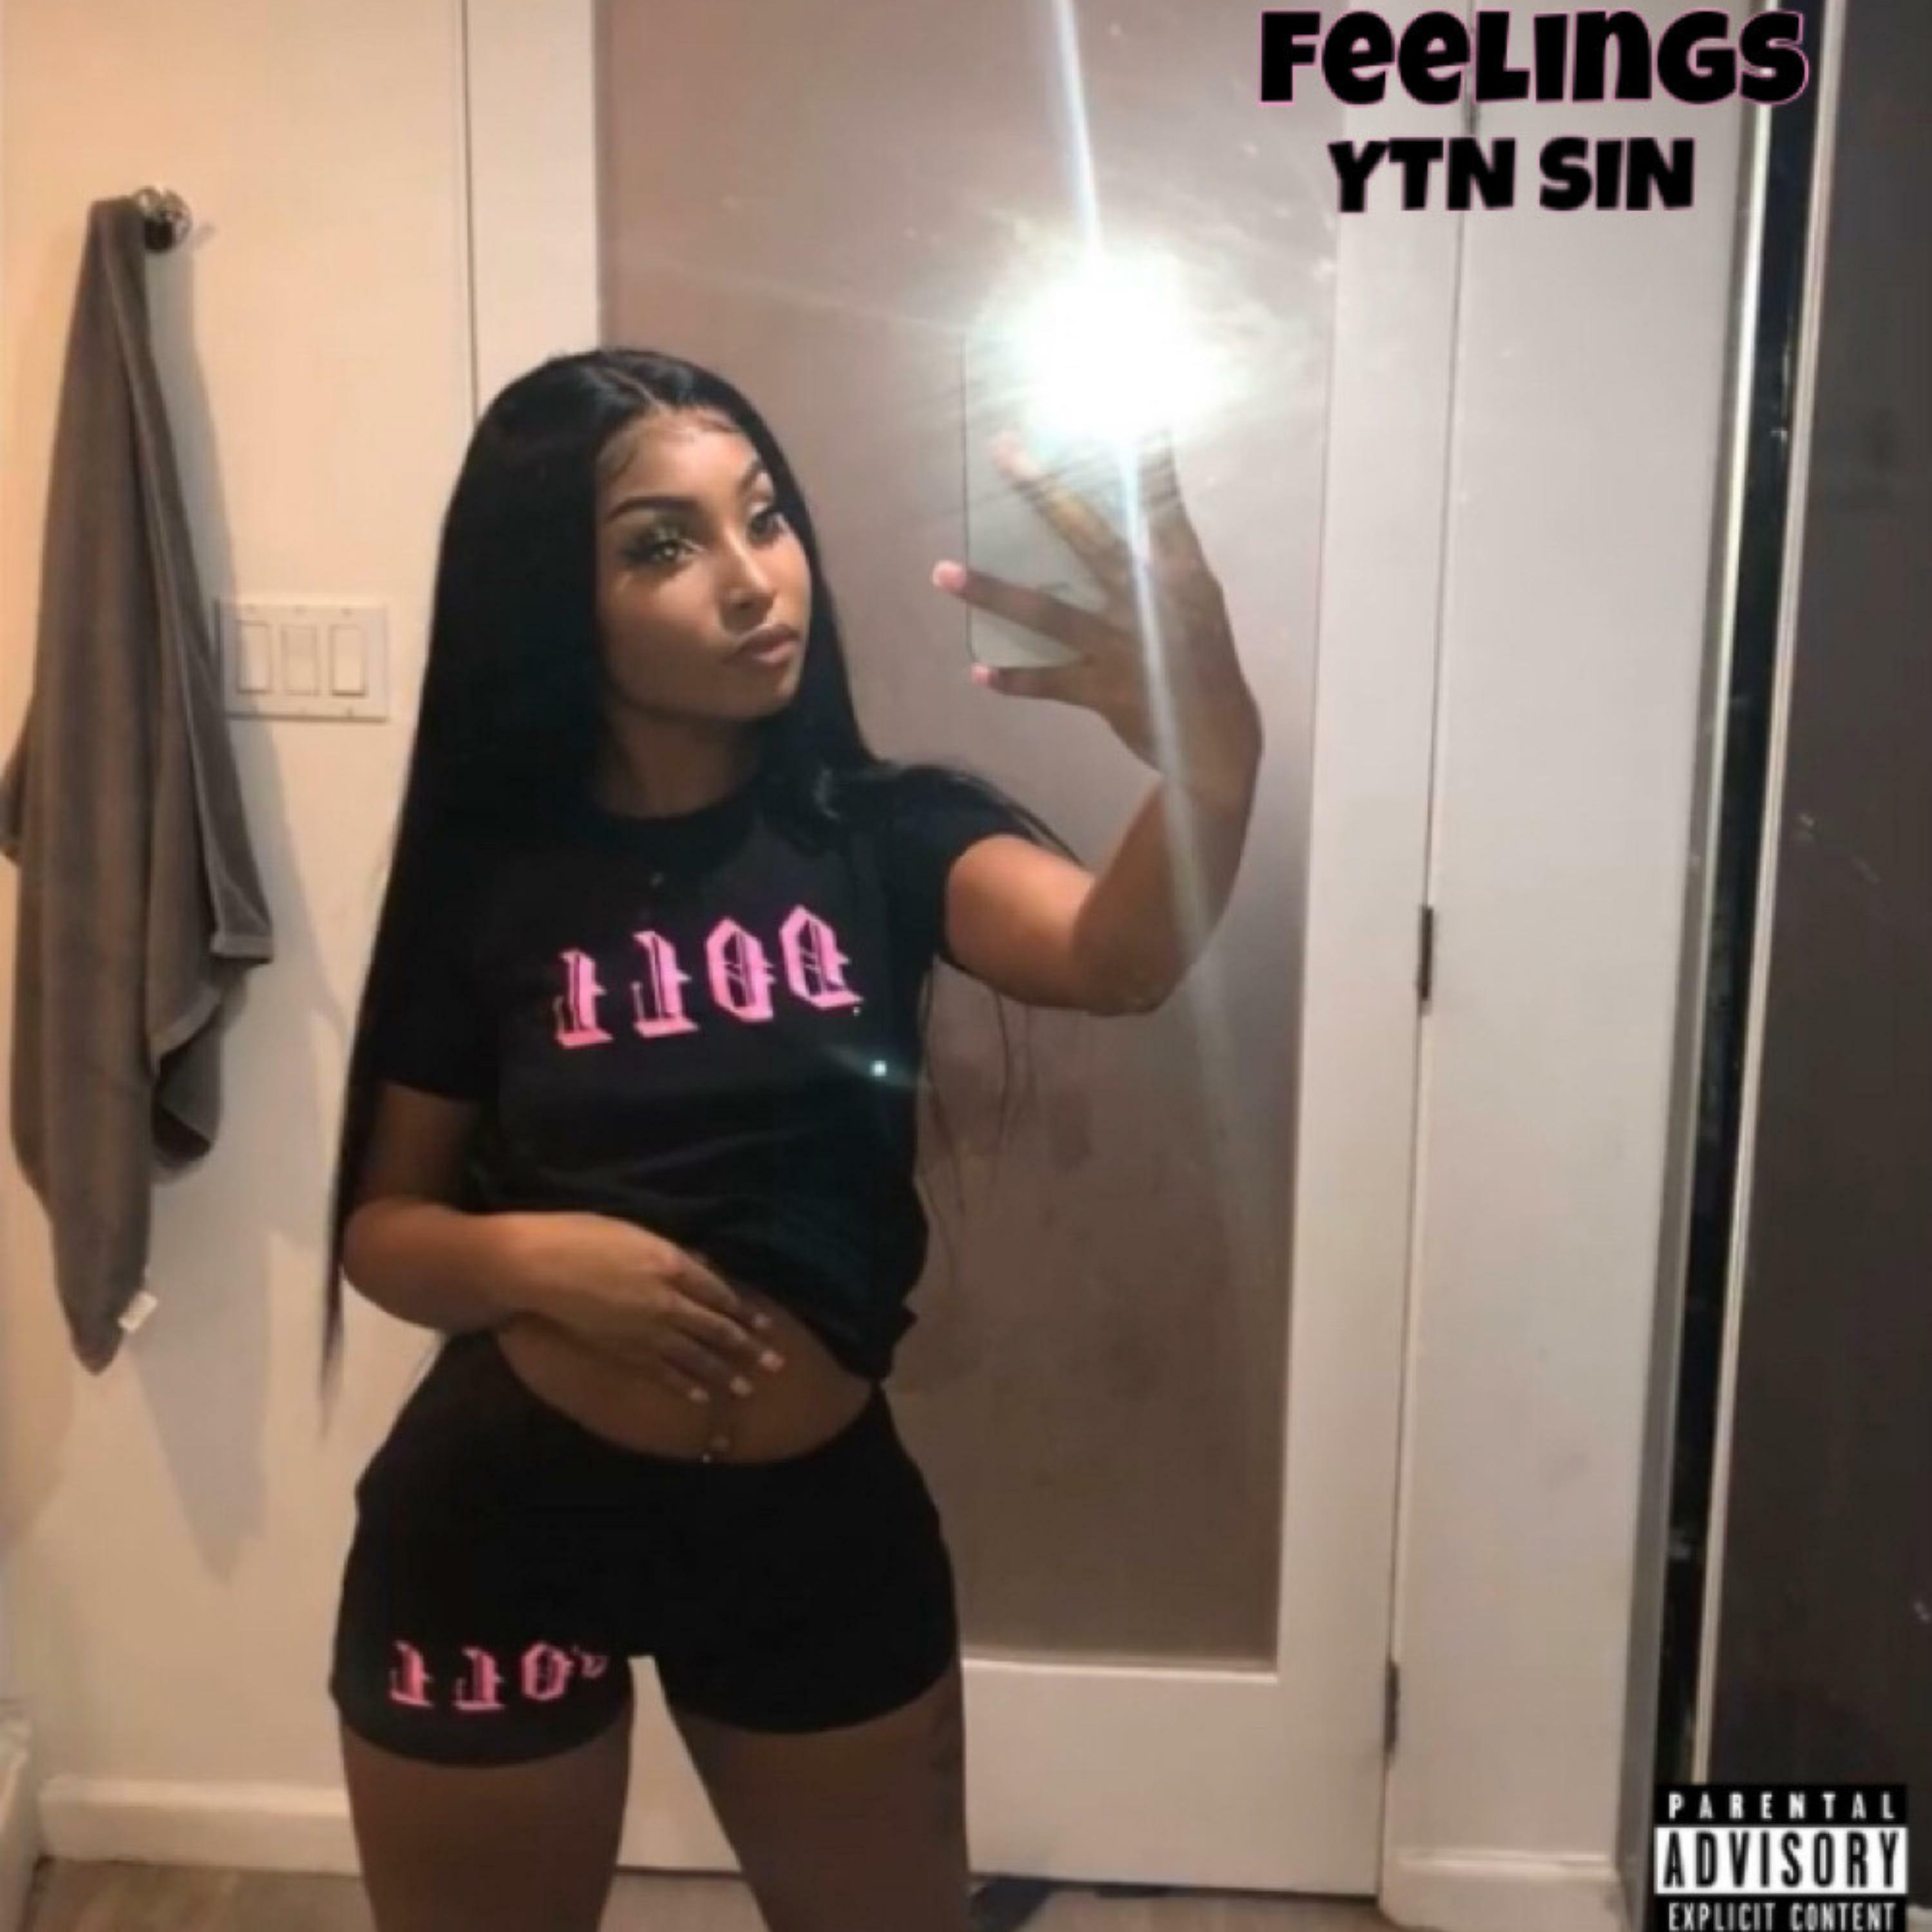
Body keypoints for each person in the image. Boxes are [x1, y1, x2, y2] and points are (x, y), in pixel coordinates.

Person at [321, 346, 1262, 1932]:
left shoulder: (882, 835)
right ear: (555, 599)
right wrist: (538, 1260)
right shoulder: (490, 885)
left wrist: (1213, 748)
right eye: (663, 544)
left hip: (813, 1530)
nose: (755, 578)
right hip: (497, 1527)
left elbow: (1117, 958)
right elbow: (384, 1235)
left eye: (763, 516)